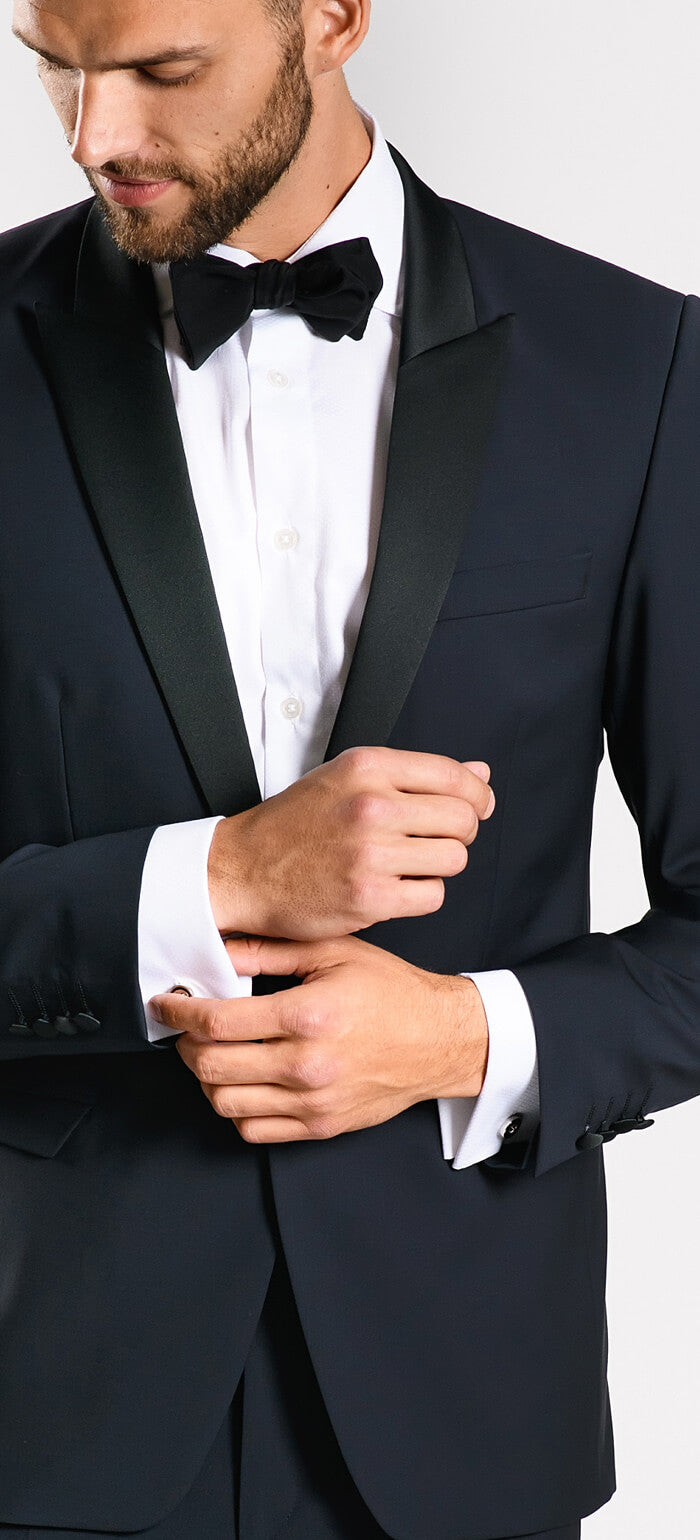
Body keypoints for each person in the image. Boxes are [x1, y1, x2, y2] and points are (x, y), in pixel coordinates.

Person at [1, 0, 698, 1535]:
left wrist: (463, 1038)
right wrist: (210, 881)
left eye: (160, 70)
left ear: (329, 18)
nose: (94, 134)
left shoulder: (637, 366)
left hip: (466, 1420)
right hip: (45, 1406)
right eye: (55, 60)